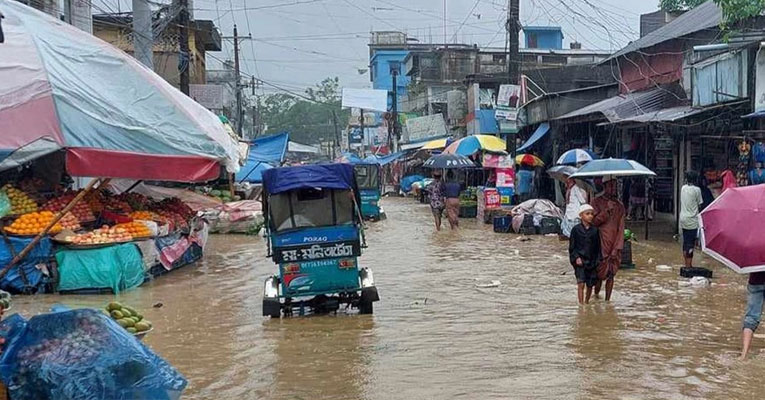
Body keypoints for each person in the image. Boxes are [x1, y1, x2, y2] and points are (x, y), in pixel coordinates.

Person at [591, 178, 626, 301]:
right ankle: (596, 296)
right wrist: (606, 211)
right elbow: (593, 222)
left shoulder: (620, 206)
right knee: (599, 275)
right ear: (605, 186)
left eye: (615, 186)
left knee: (611, 274)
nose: (613, 189)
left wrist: (617, 247)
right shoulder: (596, 202)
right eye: (611, 186)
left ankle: (607, 301)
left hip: (614, 243)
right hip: (600, 243)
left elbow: (621, 228)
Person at [569, 204, 601, 304]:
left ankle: (586, 301)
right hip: (580, 261)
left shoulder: (595, 231)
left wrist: (598, 261)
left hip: (592, 260)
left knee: (590, 284)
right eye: (587, 214)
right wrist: (576, 257)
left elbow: (598, 247)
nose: (590, 216)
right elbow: (572, 247)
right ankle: (581, 304)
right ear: (581, 215)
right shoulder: (575, 230)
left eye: (592, 214)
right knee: (581, 283)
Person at [679, 171, 703, 268]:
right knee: (690, 245)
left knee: (686, 242)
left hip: (683, 219)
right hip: (692, 221)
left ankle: (686, 264)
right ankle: (689, 266)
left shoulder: (683, 188)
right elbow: (700, 204)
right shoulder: (697, 190)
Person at [741, 271, 765, 360]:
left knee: (751, 317)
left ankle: (744, 354)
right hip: (756, 282)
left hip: (756, 280)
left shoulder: (754, 256)